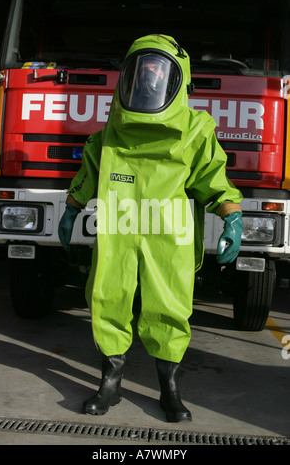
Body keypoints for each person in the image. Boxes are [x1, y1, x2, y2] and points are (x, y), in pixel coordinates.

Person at [58, 34, 243, 422]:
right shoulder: (111, 132)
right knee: (108, 298)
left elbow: (212, 175)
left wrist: (231, 214)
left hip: (168, 234)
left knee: (170, 306)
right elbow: (91, 168)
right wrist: (71, 208)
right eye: (142, 68)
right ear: (129, 74)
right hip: (119, 230)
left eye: (159, 69)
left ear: (178, 79)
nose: (150, 77)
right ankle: (110, 381)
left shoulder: (195, 130)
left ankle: (169, 388)